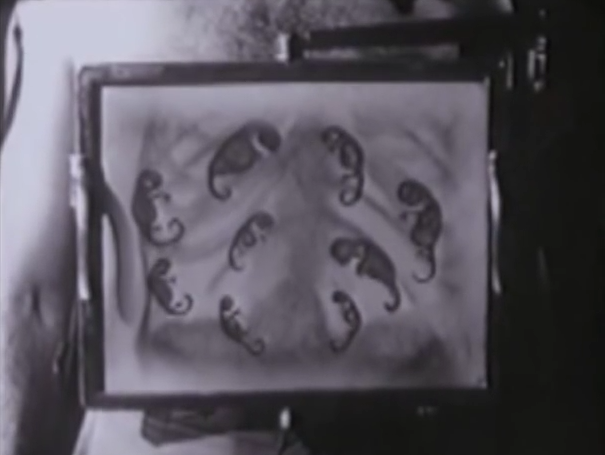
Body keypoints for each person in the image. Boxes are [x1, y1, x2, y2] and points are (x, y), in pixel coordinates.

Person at [0, 1, 512, 454]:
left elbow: (516, 256)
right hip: (163, 433)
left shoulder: (464, 10)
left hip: (404, 423)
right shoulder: (77, 9)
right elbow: (32, 299)